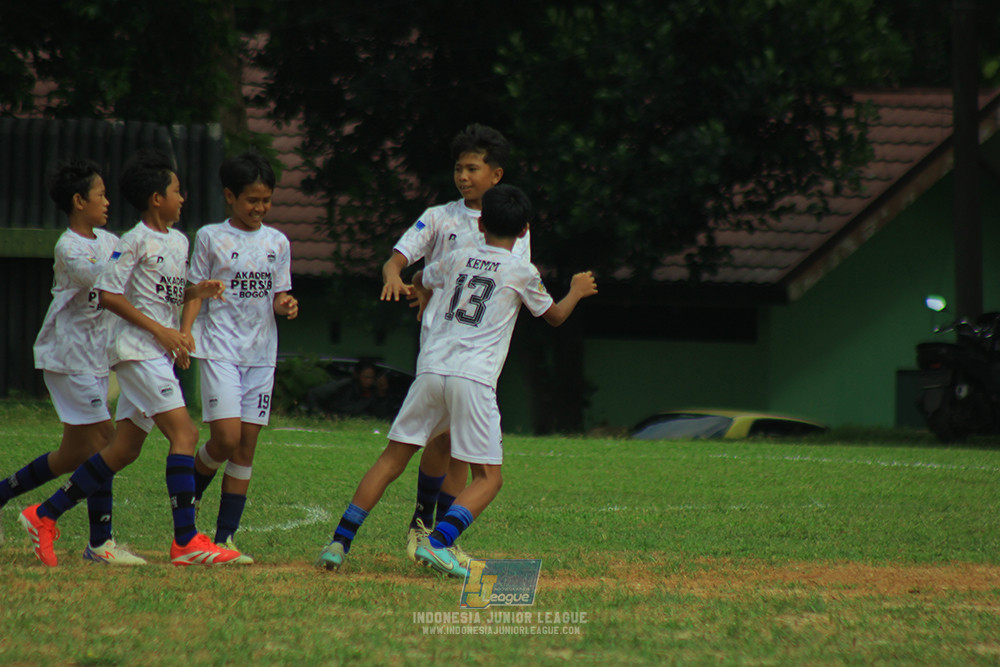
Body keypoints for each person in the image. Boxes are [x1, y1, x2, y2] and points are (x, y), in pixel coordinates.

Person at [317, 184, 597, 575]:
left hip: (432, 368)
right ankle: (438, 542)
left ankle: (338, 543)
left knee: (391, 459)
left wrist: (423, 295)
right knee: (489, 479)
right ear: (523, 231)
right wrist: (576, 291)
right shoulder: (522, 271)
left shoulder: (458, 257)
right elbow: (555, 316)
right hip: (473, 378)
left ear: (480, 224)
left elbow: (421, 277)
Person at [18, 148, 241, 567]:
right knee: (185, 434)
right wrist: (161, 332)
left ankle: (44, 514)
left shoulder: (178, 240)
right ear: (156, 198)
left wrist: (196, 293)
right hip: (136, 353)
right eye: (176, 190)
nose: (182, 198)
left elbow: (161, 296)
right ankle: (186, 541)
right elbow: (108, 295)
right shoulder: (133, 241)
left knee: (122, 449)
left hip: (156, 351)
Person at [379, 124, 530, 566]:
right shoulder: (439, 216)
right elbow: (400, 260)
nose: (463, 176)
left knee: (460, 446)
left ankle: (440, 536)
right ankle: (424, 525)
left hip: (480, 350)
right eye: (459, 168)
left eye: (472, 168)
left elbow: (515, 281)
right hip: (441, 346)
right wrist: (398, 276)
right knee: (441, 439)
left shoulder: (513, 224)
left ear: (495, 174)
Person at [3, 159, 144, 565]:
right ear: (79, 201)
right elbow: (105, 277)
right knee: (107, 443)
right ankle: (99, 542)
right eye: (100, 194)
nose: (107, 201)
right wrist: (133, 250)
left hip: (95, 359)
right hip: (69, 357)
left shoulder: (110, 240)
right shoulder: (69, 247)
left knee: (71, 455)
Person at [179, 151, 298, 563]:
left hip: (261, 354)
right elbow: (195, 291)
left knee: (245, 447)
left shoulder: (277, 242)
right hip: (220, 349)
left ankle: (226, 538)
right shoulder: (210, 237)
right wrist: (186, 333)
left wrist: (285, 305)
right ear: (230, 196)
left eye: (266, 200)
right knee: (226, 439)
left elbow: (278, 295)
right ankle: (189, 499)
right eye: (252, 200)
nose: (260, 208)